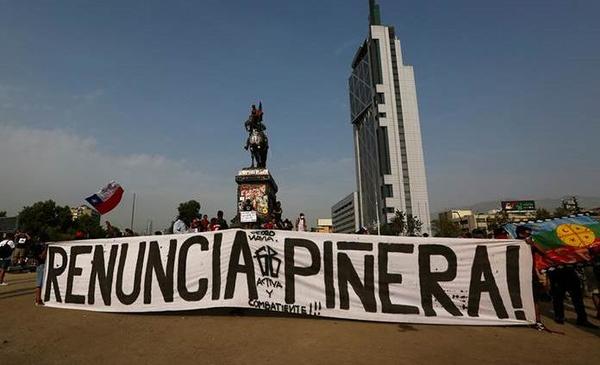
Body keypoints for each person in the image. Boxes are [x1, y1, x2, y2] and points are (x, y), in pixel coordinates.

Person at [33, 233, 48, 306]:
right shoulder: (38, 247)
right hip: (41, 265)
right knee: (39, 284)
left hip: (41, 265)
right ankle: (38, 299)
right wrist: (46, 249)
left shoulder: (37, 246)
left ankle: (39, 299)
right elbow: (42, 257)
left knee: (41, 283)